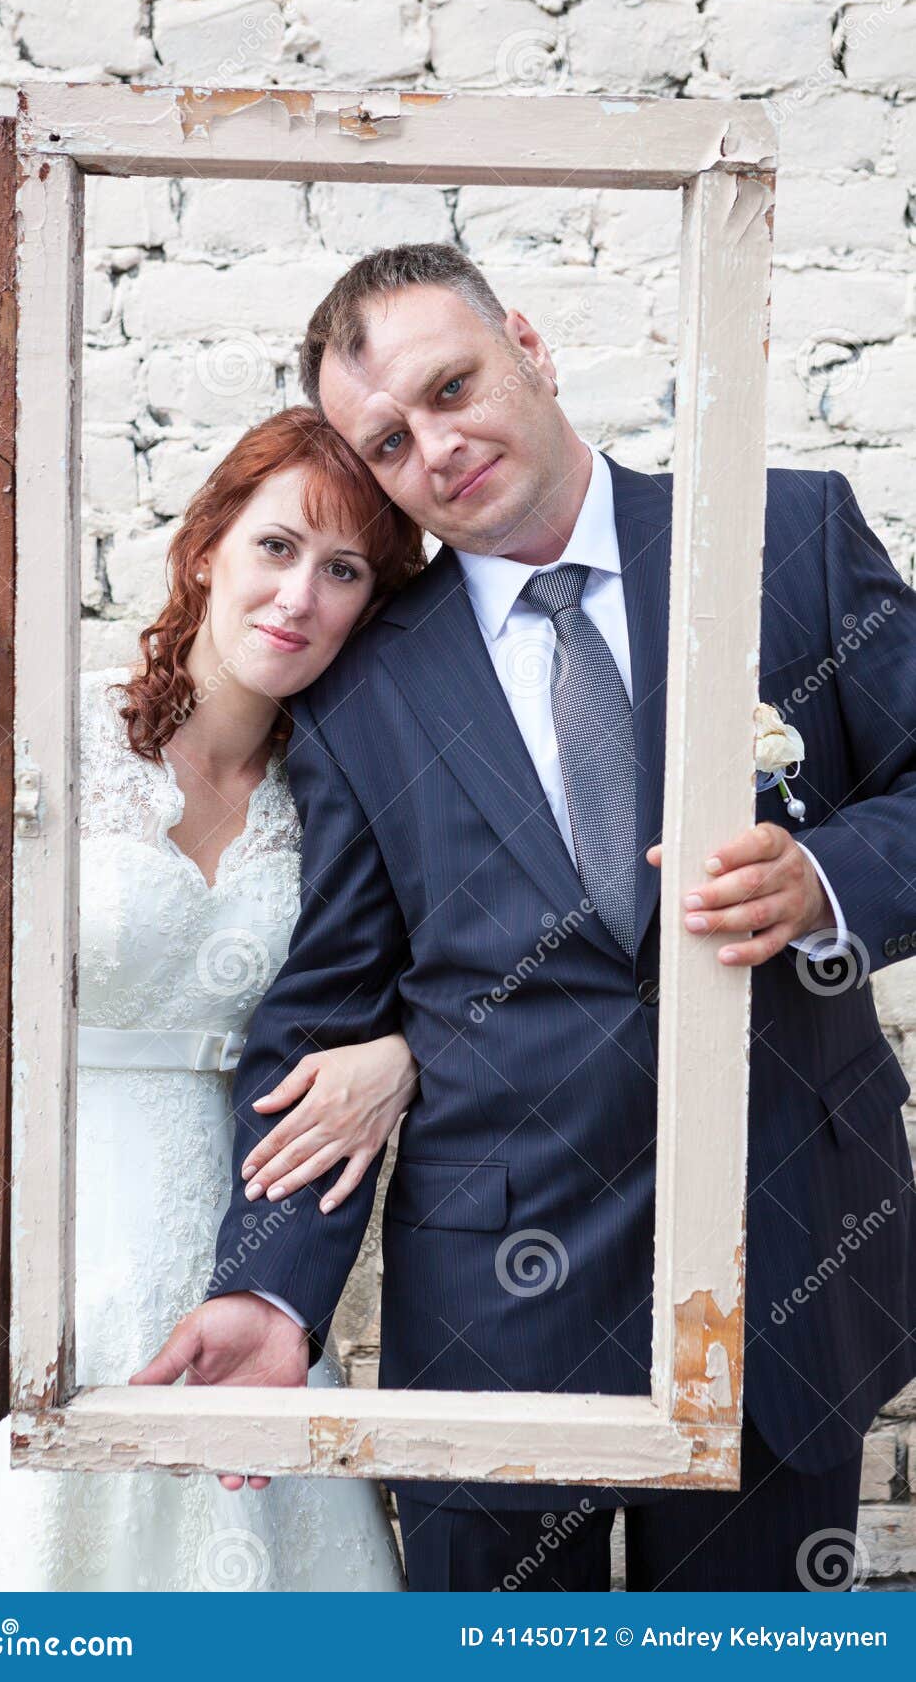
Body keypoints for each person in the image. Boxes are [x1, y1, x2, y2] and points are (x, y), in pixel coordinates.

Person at [147, 244, 916, 1593]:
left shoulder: (783, 536)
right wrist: (271, 1289)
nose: (434, 447)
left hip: (787, 1255)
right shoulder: (365, 681)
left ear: (527, 344)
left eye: (453, 387)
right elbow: (328, 1009)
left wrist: (825, 875)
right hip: (495, 1314)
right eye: (388, 440)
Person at [0, 406, 426, 1592]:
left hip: (249, 1236)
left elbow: (412, 978)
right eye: (275, 547)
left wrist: (402, 1053)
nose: (298, 596)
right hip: (41, 1227)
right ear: (206, 546)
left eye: (343, 570)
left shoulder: (347, 786)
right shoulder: (63, 723)